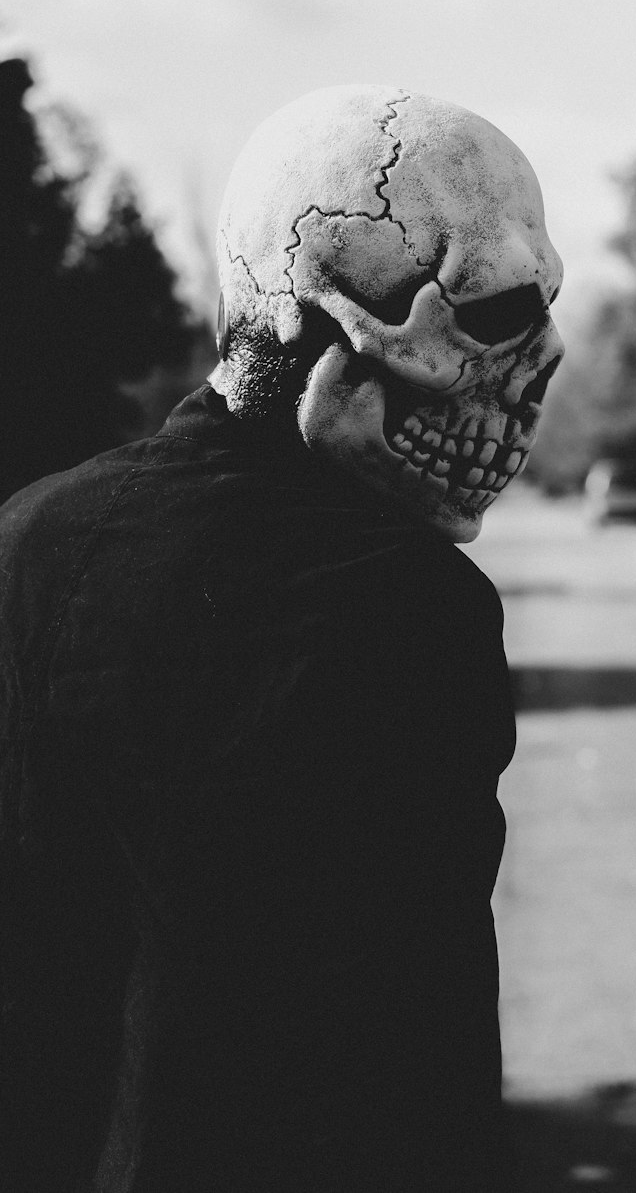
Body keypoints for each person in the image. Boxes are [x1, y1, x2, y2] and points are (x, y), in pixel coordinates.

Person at [0, 86, 564, 1191]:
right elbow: (414, 1056)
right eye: (487, 319)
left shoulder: (23, 537)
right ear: (326, 336)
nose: (536, 374)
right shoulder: (403, 608)